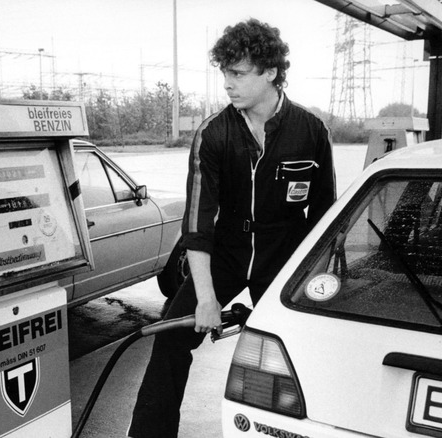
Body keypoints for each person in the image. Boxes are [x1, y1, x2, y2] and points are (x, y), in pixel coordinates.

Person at [128, 18, 336, 438]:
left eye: (238, 73)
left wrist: (317, 280)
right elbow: (198, 225)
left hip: (285, 254)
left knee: (300, 351)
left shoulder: (310, 131)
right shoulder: (214, 133)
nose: (227, 83)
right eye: (224, 72)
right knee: (170, 341)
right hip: (227, 249)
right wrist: (205, 299)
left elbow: (324, 218)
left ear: (271, 72)